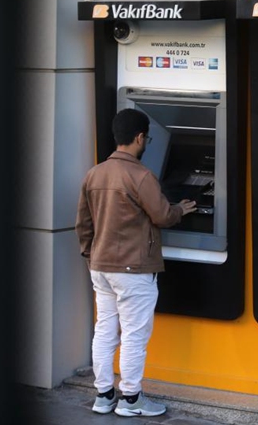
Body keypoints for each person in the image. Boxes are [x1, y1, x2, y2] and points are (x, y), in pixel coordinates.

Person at [75, 109, 197, 417]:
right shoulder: (141, 176)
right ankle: (131, 399)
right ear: (140, 137)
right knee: (133, 334)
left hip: (101, 266)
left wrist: (92, 256)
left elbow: (83, 224)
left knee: (104, 330)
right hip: (133, 268)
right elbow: (162, 216)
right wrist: (181, 208)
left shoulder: (95, 173)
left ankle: (103, 395)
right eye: (148, 139)